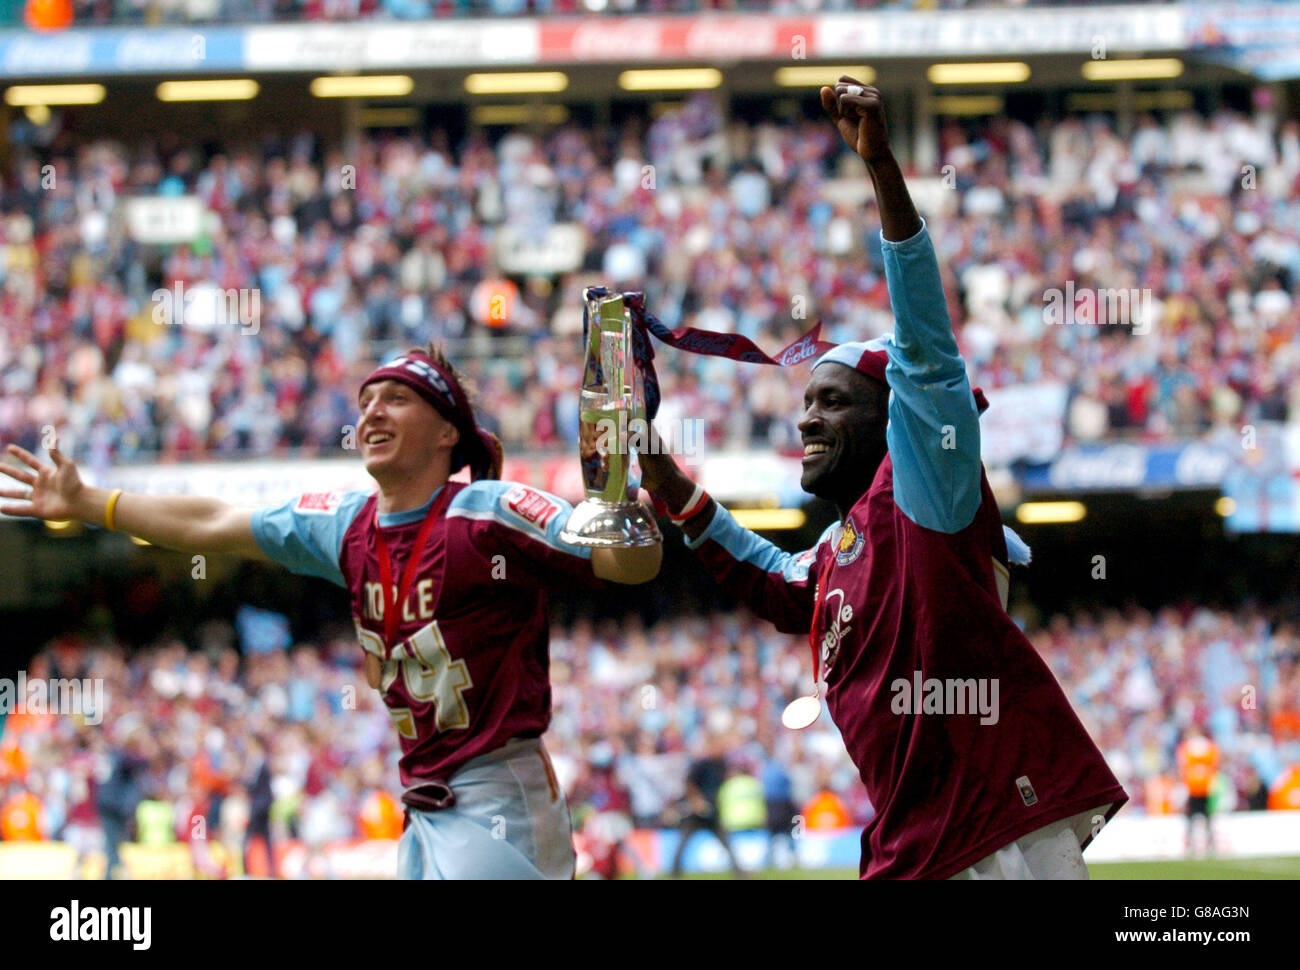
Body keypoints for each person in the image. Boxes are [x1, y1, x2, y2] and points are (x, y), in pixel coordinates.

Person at [640, 78, 1127, 880]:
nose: (806, 420)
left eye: (832, 402)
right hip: (914, 846)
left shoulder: (924, 488)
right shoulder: (842, 553)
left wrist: (882, 171)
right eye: (806, 402)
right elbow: (774, 580)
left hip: (990, 841)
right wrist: (670, 483)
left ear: (891, 419)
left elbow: (929, 353)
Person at [2, 345, 661, 879]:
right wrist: (95, 504)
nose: (371, 412)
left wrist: (620, 499)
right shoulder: (346, 524)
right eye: (366, 400)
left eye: (396, 399)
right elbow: (214, 521)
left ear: (446, 432)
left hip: (499, 796)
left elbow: (626, 565)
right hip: (426, 802)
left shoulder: (492, 512)